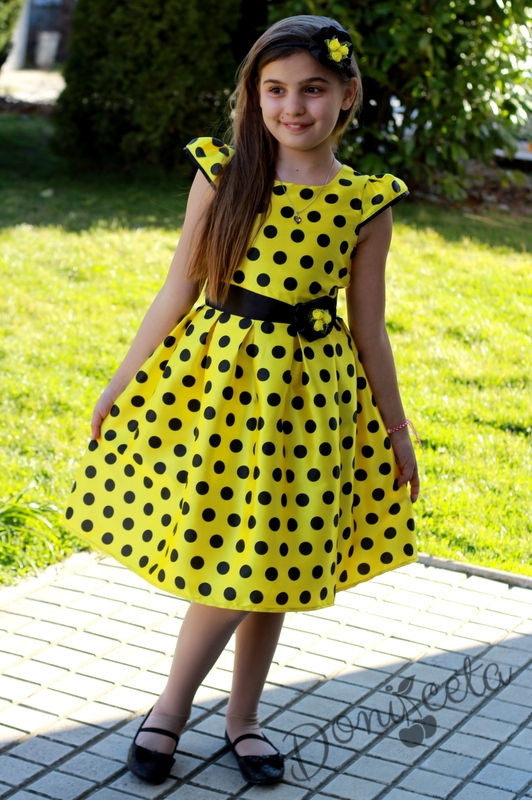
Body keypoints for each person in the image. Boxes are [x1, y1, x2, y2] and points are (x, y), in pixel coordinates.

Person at [65, 13, 419, 787]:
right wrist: (121, 381)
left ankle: (244, 718)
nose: (294, 106)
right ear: (254, 96)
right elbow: (177, 288)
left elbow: (370, 328)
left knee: (276, 557)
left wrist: (396, 428)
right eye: (276, 89)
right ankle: (170, 710)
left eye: (314, 89)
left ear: (348, 94)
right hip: (223, 390)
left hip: (311, 402)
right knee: (236, 559)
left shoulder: (364, 202)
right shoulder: (224, 174)